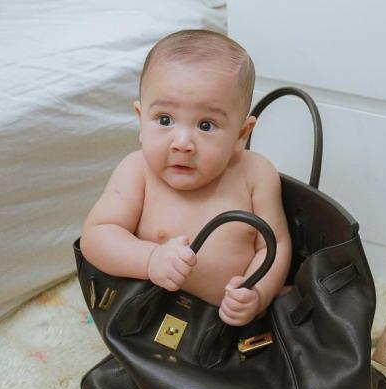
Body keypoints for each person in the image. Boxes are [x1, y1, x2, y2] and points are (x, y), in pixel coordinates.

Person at [80, 29, 291, 326]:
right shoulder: (137, 171)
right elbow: (96, 236)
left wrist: (258, 293)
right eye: (164, 120)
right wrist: (150, 259)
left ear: (241, 135)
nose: (182, 143)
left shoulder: (256, 174)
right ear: (141, 121)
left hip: (233, 324)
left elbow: (274, 246)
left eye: (206, 125)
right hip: (151, 321)